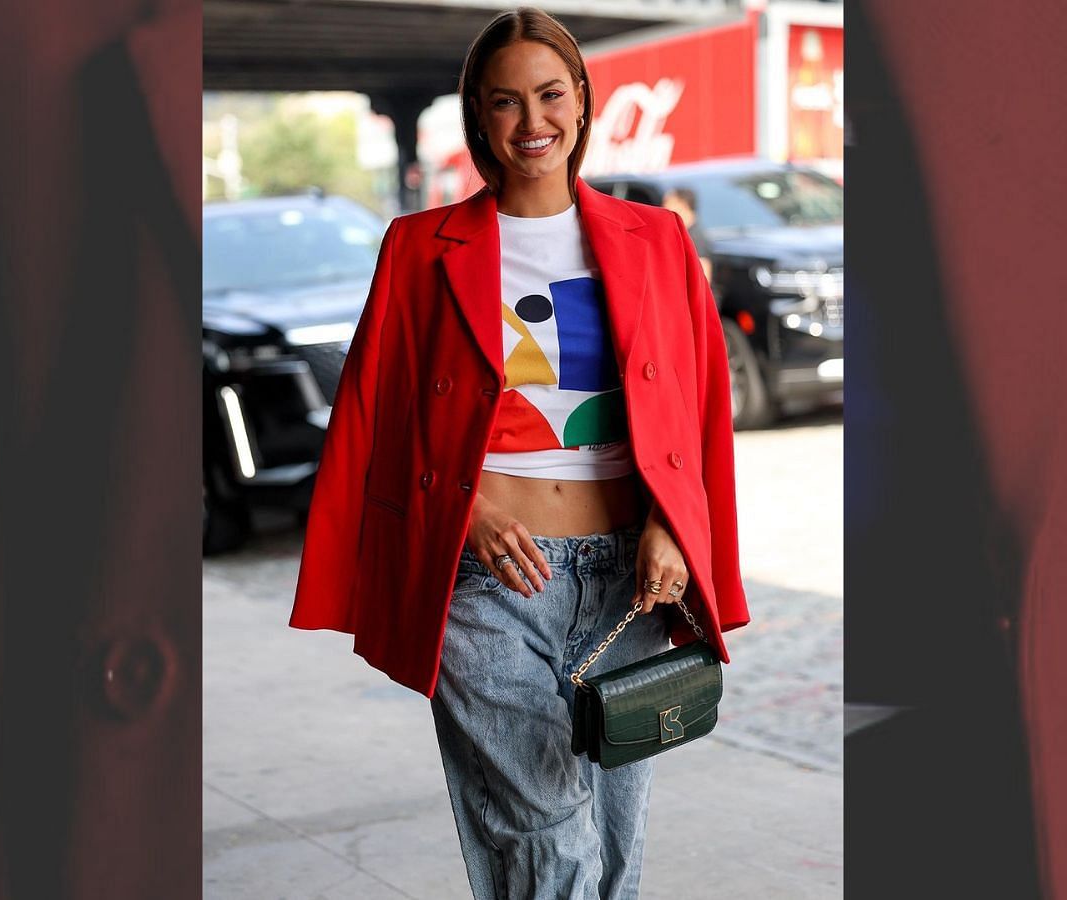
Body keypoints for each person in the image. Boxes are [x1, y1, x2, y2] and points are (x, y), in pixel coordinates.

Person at [290, 7, 748, 898]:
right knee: (549, 836)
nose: (531, 122)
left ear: (581, 100)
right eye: (505, 102)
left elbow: (697, 409)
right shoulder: (420, 250)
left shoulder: (655, 241)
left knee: (614, 850)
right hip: (488, 583)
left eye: (548, 95)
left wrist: (669, 527)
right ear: (478, 117)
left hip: (629, 581)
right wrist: (473, 512)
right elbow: (376, 419)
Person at [661, 187, 713, 286]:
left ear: (682, 204)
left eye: (667, 202)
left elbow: (703, 278)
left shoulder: (696, 237)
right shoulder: (684, 232)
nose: (663, 207)